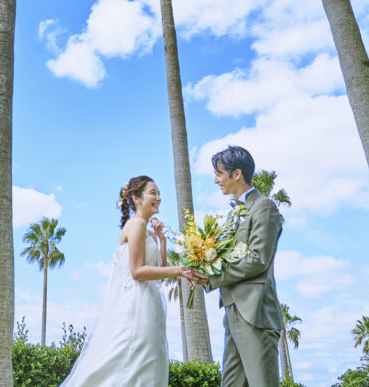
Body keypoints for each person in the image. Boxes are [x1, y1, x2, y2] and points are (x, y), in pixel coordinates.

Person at [60, 175, 199, 386]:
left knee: (148, 364)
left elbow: (160, 274)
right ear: (136, 198)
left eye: (159, 193)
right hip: (136, 305)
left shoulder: (150, 232)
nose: (158, 197)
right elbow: (137, 271)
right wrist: (179, 270)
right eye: (153, 193)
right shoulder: (136, 224)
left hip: (151, 305)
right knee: (133, 361)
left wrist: (162, 241)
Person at [189, 146, 283, 387]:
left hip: (255, 312)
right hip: (233, 310)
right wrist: (202, 270)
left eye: (219, 173)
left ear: (237, 173)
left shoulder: (264, 207)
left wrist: (212, 278)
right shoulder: (234, 214)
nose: (216, 179)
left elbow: (258, 259)